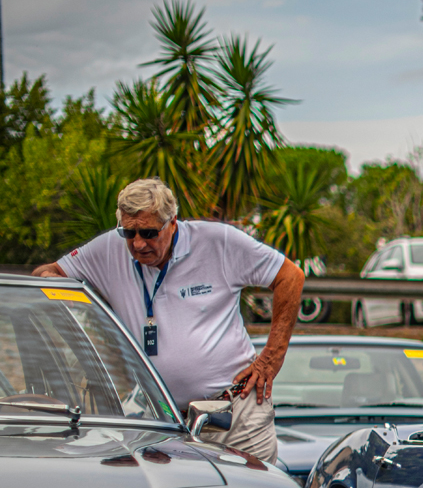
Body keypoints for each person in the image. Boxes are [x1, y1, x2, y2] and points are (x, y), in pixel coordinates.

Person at [32, 178, 305, 463]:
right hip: (163, 424)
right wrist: (64, 293)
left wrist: (271, 359)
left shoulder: (217, 241)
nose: (138, 243)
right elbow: (47, 273)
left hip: (234, 415)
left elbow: (290, 276)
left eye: (149, 232)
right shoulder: (110, 248)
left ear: (172, 222)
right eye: (129, 233)